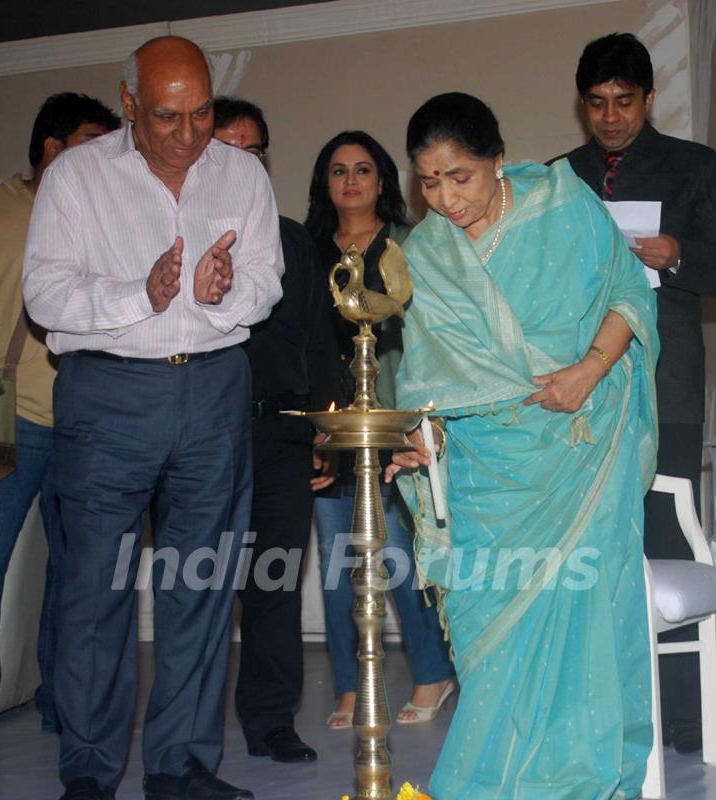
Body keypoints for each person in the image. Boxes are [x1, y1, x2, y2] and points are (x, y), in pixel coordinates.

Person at [23, 37, 284, 800]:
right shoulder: (77, 176)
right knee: (93, 590)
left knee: (200, 587)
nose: (187, 132)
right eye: (167, 115)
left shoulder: (241, 173)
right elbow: (46, 295)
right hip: (107, 395)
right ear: (130, 103)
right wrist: (144, 293)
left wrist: (220, 291)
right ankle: (90, 770)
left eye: (201, 112)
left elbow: (265, 278)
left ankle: (180, 766)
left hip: (211, 392)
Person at [386, 92, 658, 799]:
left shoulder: (566, 211)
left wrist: (587, 373)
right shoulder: (426, 253)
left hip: (576, 456)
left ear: (498, 162)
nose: (444, 198)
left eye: (461, 177)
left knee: (581, 633)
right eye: (428, 181)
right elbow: (424, 379)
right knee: (492, 645)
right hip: (483, 480)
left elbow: (630, 294)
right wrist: (420, 434)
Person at [556, 32, 716, 753]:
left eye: (625, 102)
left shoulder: (693, 167)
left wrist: (679, 255)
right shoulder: (559, 177)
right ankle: (602, 711)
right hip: (583, 375)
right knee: (588, 537)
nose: (611, 117)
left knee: (666, 527)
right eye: (597, 104)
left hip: (666, 372)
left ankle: (685, 715)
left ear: (650, 99)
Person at [304, 130, 455, 729]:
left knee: (398, 555)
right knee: (337, 557)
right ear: (325, 181)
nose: (350, 181)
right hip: (329, 426)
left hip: (393, 422)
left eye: (363, 169)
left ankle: (431, 673)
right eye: (338, 170)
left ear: (384, 180)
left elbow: (433, 336)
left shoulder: (410, 245)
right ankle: (350, 686)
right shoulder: (307, 248)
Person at [212, 97, 338, 763]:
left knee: (275, 585)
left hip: (283, 437)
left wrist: (326, 429)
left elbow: (319, 344)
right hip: (203, 440)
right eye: (229, 147)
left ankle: (270, 722)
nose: (245, 160)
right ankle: (192, 730)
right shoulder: (180, 231)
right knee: (199, 587)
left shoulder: (293, 240)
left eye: (255, 149)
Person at [0, 92, 119, 730]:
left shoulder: (93, 217)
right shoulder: (0, 207)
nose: (103, 159)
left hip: (82, 420)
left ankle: (63, 707)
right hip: (3, 416)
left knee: (77, 578)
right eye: (90, 144)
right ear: (51, 148)